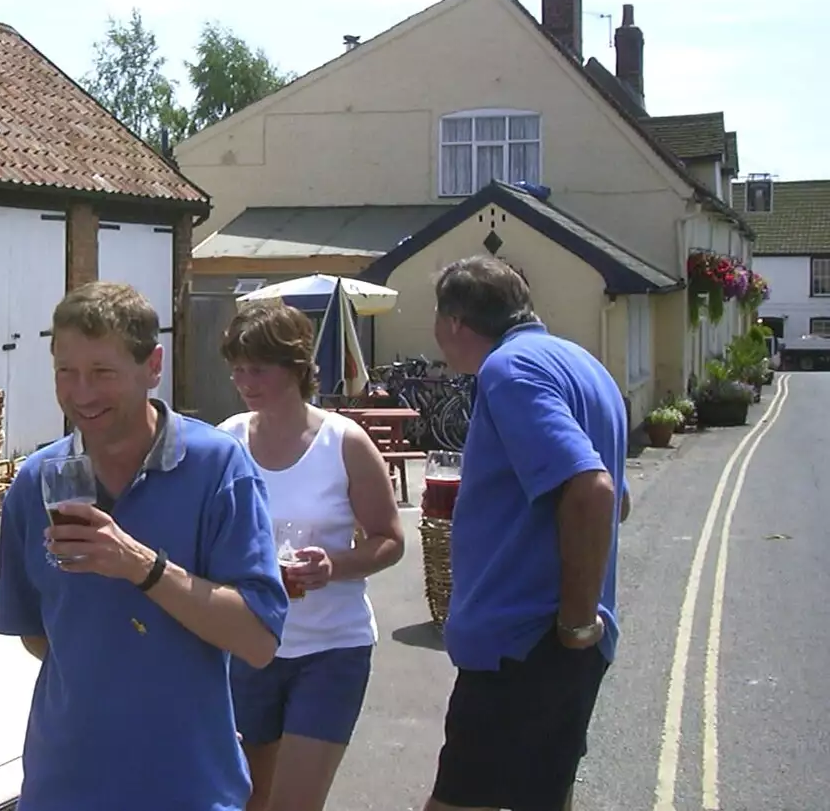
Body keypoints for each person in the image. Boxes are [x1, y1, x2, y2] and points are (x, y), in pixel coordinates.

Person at [0, 280, 289, 811]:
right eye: (66, 371)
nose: (81, 393)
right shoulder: (35, 482)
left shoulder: (218, 468)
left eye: (102, 373)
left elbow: (258, 640)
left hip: (188, 787)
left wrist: (140, 566)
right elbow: (39, 634)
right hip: (64, 788)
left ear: (153, 366)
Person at [422, 256, 628, 811]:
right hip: (560, 647)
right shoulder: (583, 364)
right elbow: (617, 500)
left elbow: (594, 492)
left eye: (438, 319)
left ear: (457, 322)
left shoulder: (507, 371)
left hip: (523, 645)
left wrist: (575, 623)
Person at [217, 300, 406, 811]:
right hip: (251, 647)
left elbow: (389, 539)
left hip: (331, 650)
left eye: (257, 369)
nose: (244, 381)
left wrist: (334, 566)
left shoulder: (344, 442)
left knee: (294, 804)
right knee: (247, 800)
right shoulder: (227, 440)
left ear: (297, 368)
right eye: (236, 369)